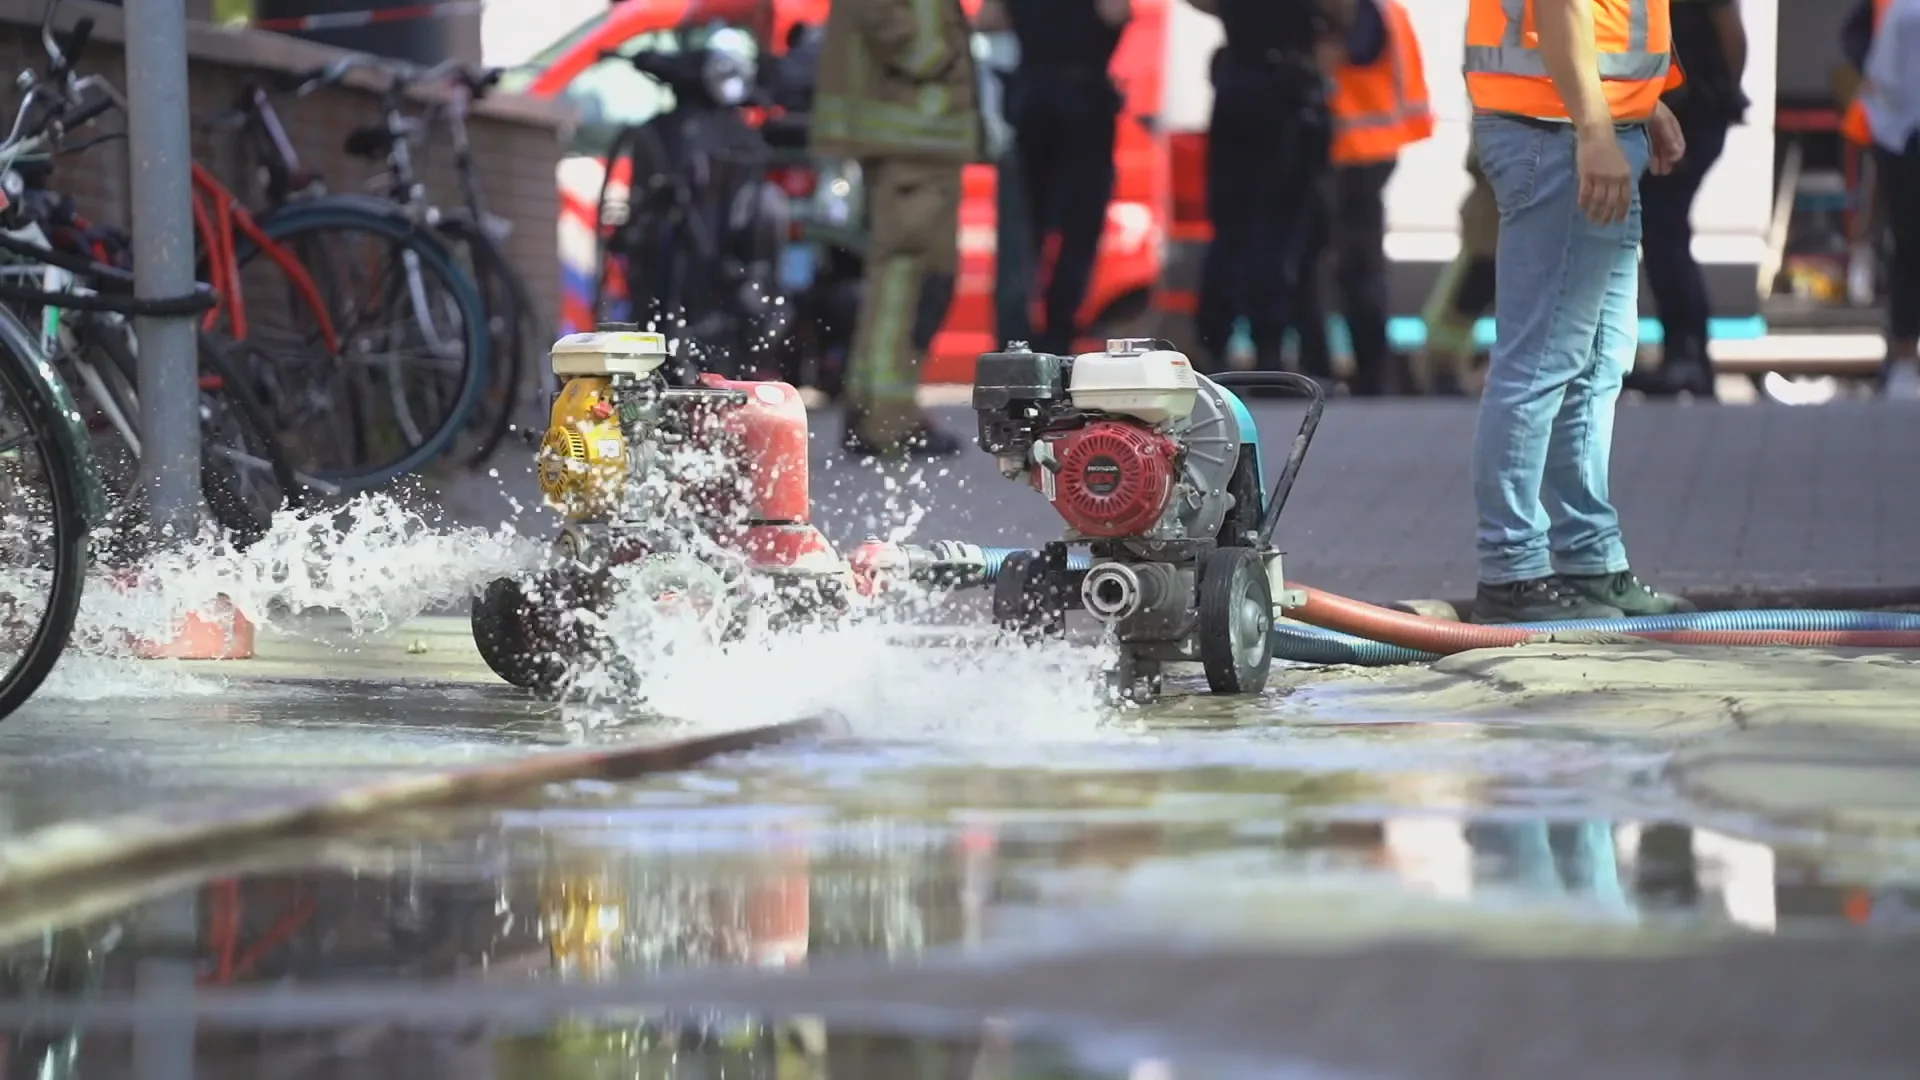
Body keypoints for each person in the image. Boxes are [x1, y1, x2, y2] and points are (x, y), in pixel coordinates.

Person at [1463, 0, 1696, 624]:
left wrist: (1644, 105)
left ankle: (1589, 560)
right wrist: (1596, 130)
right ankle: (1512, 574)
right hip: (1557, 131)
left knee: (1597, 359)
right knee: (1543, 359)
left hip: (1573, 123)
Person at [813, 0, 983, 458]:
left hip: (919, 136)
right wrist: (931, 56)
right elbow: (882, 15)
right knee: (907, 274)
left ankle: (875, 407)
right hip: (915, 133)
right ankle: (886, 419)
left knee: (910, 276)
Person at [1185, 0, 1353, 375]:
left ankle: (1215, 341)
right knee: (1278, 233)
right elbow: (1341, 19)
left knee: (1230, 230)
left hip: (1237, 89)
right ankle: (1268, 349)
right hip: (1286, 100)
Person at [1297, 0, 1432, 396]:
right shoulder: (1383, 9)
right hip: (1361, 152)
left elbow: (1345, 52)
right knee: (1347, 266)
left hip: (1352, 153)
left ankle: (1355, 373)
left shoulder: (1366, 11)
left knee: (1344, 267)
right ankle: (1365, 375)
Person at [999, 0, 1133, 356]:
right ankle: (1059, 330)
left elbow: (987, 20)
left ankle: (1014, 333)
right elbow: (1116, 11)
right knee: (1079, 228)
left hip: (1030, 100)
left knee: (1025, 228)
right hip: (1082, 102)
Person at [1629, 0, 1747, 398]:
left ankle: (1686, 355)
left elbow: (1730, 31)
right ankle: (1685, 355)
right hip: (1677, 110)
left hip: (1689, 113)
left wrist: (1721, 98)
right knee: (1663, 231)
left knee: (1664, 231)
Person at [1841, 0, 1920, 396]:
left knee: (1907, 251)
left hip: (1900, 136)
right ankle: (1905, 354)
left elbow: (1879, 75)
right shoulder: (1902, 13)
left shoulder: (1900, 13)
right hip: (1904, 137)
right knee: (1907, 250)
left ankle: (1905, 356)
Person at [1411, 144, 1498, 395]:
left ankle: (1444, 369)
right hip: (1491, 223)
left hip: (1493, 227)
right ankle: (1444, 369)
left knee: (1461, 304)